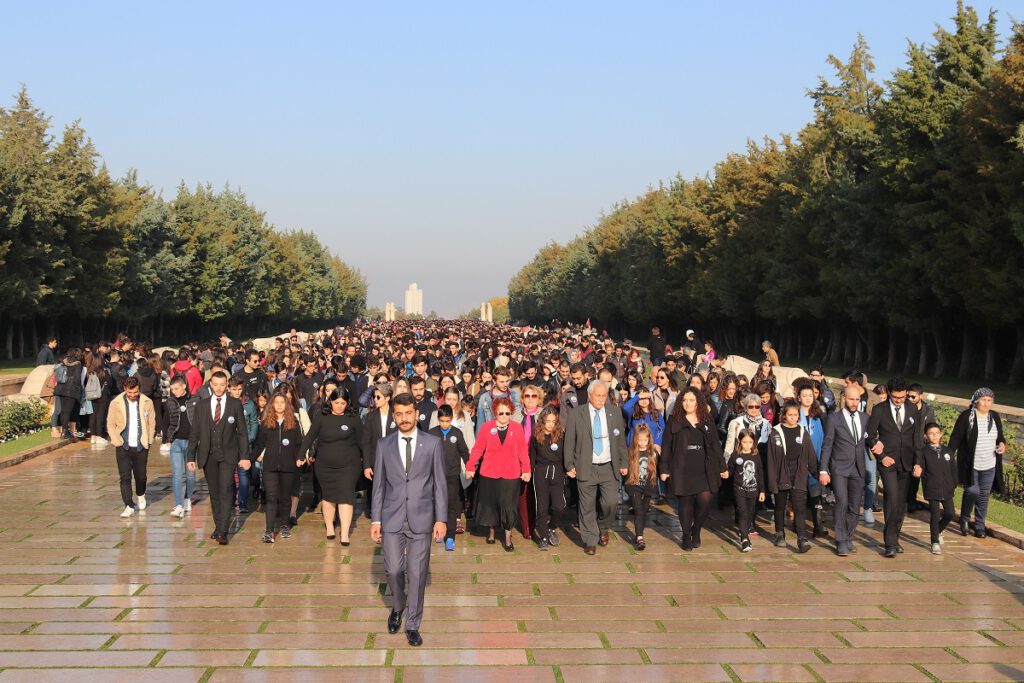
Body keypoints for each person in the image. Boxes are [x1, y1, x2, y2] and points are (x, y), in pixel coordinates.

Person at [369, 392, 448, 648]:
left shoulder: (433, 443)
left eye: (408, 413)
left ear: (416, 414)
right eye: (399, 414)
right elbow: (378, 486)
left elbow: (440, 484)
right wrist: (375, 520)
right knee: (392, 570)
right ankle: (398, 607)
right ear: (394, 416)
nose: (404, 418)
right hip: (391, 517)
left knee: (417, 573)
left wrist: (441, 519)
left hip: (422, 518)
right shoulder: (384, 445)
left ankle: (413, 624)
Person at [186, 371, 251, 545]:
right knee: (214, 493)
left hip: (229, 455)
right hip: (208, 455)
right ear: (210, 384)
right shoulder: (202, 406)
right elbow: (195, 433)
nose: (219, 388)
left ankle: (223, 530)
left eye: (223, 385)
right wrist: (190, 455)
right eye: (216, 384)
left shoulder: (235, 404)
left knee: (226, 490)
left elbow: (243, 433)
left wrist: (245, 456)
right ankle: (218, 526)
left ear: (227, 385)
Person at [564, 381, 628, 555]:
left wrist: (624, 463)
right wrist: (569, 464)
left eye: (604, 396)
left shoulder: (614, 412)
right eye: (598, 396)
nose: (601, 399)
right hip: (586, 466)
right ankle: (590, 539)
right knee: (586, 506)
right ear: (590, 395)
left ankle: (604, 527)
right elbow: (569, 440)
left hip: (609, 466)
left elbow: (620, 440)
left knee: (611, 503)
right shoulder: (577, 414)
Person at [659, 387, 727, 551]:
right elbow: (666, 446)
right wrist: (664, 468)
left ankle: (696, 529)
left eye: (691, 400)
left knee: (705, 500)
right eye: (685, 400)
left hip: (704, 467)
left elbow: (714, 445)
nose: (687, 403)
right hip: (681, 467)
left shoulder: (706, 419)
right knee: (685, 501)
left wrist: (722, 466)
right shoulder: (674, 420)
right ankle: (686, 534)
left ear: (698, 403)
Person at [465, 397, 531, 551]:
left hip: (511, 474)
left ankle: (508, 537)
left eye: (507, 413)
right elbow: (477, 449)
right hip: (489, 473)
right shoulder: (486, 427)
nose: (504, 416)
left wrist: (526, 469)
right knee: (491, 504)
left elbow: (522, 451)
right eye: (500, 413)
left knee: (508, 505)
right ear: (495, 412)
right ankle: (492, 532)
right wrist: (470, 466)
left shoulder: (517, 428)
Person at [300, 387, 364, 545]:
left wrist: (369, 462)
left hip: (349, 465)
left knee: (346, 496)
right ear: (331, 402)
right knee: (328, 497)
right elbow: (310, 436)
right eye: (336, 403)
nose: (340, 406)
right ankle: (329, 527)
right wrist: (302, 454)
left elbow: (362, 441)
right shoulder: (322, 416)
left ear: (348, 403)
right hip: (325, 465)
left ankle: (345, 533)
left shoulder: (353, 417)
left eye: (343, 403)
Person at [865, 377, 920, 558]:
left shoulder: (912, 409)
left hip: (907, 462)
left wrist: (919, 462)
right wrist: (881, 455)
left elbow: (917, 439)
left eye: (902, 397)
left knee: (901, 502)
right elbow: (870, 436)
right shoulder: (880, 410)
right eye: (896, 397)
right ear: (889, 393)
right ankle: (889, 543)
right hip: (887, 462)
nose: (899, 400)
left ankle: (895, 538)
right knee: (892, 497)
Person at [948, 387, 1006, 539]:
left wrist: (1001, 444)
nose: (987, 403)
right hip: (971, 463)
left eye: (990, 400)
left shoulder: (994, 417)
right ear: (976, 401)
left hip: (990, 463)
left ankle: (980, 525)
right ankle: (965, 519)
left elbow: (1000, 437)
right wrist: (947, 456)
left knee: (983, 496)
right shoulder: (967, 417)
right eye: (984, 400)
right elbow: (955, 438)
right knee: (972, 491)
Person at [819, 385, 869, 556]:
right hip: (839, 467)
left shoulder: (865, 418)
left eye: (857, 399)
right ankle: (840, 540)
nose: (854, 403)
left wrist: (879, 446)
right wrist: (823, 470)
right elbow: (827, 445)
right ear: (844, 399)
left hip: (858, 468)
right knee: (842, 502)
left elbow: (869, 440)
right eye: (851, 399)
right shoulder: (834, 419)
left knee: (855, 507)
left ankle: (848, 537)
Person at [766, 401, 819, 553]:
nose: (793, 418)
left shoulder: (802, 431)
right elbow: (771, 459)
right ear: (784, 416)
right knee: (780, 506)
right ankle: (779, 533)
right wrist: (772, 482)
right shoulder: (776, 432)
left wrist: (818, 473)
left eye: (796, 415)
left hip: (799, 474)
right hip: (781, 473)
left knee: (799, 507)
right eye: (790, 415)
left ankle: (801, 538)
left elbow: (810, 455)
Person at [254, 392, 306, 543]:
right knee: (271, 498)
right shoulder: (266, 423)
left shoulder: (293, 423)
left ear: (287, 405)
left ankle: (284, 525)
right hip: (270, 466)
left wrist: (300, 458)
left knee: (285, 497)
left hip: (288, 466)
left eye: (282, 402)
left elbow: (299, 443)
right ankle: (269, 530)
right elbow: (259, 444)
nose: (279, 405)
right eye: (276, 402)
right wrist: (248, 459)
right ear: (272, 404)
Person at [106, 376, 156, 518]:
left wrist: (149, 440)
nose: (133, 396)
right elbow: (110, 423)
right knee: (125, 476)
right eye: (130, 393)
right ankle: (128, 504)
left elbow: (152, 422)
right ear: (124, 389)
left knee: (141, 476)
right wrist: (116, 439)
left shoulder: (147, 402)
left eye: (135, 393)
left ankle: (140, 494)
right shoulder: (115, 403)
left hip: (141, 444)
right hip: (123, 444)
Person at [428, 404, 470, 551]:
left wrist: (470, 467)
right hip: (436, 476)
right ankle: (439, 531)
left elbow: (464, 452)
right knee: (438, 504)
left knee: (452, 506)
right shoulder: (432, 434)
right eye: (442, 421)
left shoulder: (457, 433)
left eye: (447, 421)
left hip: (453, 475)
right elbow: (426, 455)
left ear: (451, 419)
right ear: (438, 419)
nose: (445, 424)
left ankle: (450, 536)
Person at [913, 422, 958, 554]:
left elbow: (953, 469)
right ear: (926, 436)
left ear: (941, 434)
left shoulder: (947, 451)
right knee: (935, 514)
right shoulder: (923, 452)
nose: (934, 436)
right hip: (932, 487)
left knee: (950, 513)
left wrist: (954, 483)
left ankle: (939, 530)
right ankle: (935, 541)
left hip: (947, 488)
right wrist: (917, 469)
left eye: (937, 433)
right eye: (931, 434)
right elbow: (919, 465)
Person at [530, 405, 566, 551]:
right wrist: (529, 471)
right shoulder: (536, 437)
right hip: (541, 472)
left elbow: (565, 456)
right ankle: (543, 536)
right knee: (542, 507)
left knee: (559, 506)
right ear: (542, 422)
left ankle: (552, 528)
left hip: (557, 472)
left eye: (553, 421)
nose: (550, 424)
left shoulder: (561, 436)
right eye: (548, 421)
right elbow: (532, 456)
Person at [165, 376, 198, 518]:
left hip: (192, 442)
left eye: (177, 388)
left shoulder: (195, 400)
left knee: (190, 475)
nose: (174, 392)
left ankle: (187, 499)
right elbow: (166, 420)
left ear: (184, 386)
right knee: (177, 474)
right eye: (172, 389)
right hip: (176, 441)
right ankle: (178, 504)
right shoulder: (170, 402)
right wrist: (167, 438)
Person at [624, 423, 658, 551]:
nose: (642, 442)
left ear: (649, 439)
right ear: (635, 439)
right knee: (638, 509)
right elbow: (626, 471)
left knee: (643, 511)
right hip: (634, 486)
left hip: (648, 487)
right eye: (640, 440)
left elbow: (657, 471)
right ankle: (639, 537)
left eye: (645, 440)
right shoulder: (631, 452)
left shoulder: (653, 453)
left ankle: (640, 531)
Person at [730, 429, 765, 552]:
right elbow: (730, 470)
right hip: (739, 489)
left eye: (750, 442)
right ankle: (745, 539)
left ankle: (743, 529)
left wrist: (762, 491)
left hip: (753, 491)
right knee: (742, 511)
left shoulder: (756, 455)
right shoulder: (735, 455)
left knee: (750, 513)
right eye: (745, 442)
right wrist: (724, 473)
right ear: (740, 442)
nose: (747, 445)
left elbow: (760, 473)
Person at [227, 377, 258, 514]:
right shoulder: (225, 403)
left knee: (243, 475)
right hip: (228, 445)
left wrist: (249, 439)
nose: (237, 392)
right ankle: (231, 499)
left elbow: (254, 423)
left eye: (239, 389)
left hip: (244, 444)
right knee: (228, 475)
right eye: (234, 389)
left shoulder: (249, 404)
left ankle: (243, 502)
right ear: (229, 389)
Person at [906, 383, 937, 513]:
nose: (910, 399)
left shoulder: (928, 411)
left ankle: (914, 502)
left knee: (919, 476)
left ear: (920, 396)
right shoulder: (906, 408)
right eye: (908, 396)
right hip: (907, 447)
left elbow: (931, 427)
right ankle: (908, 501)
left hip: (922, 448)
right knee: (908, 476)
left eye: (913, 397)